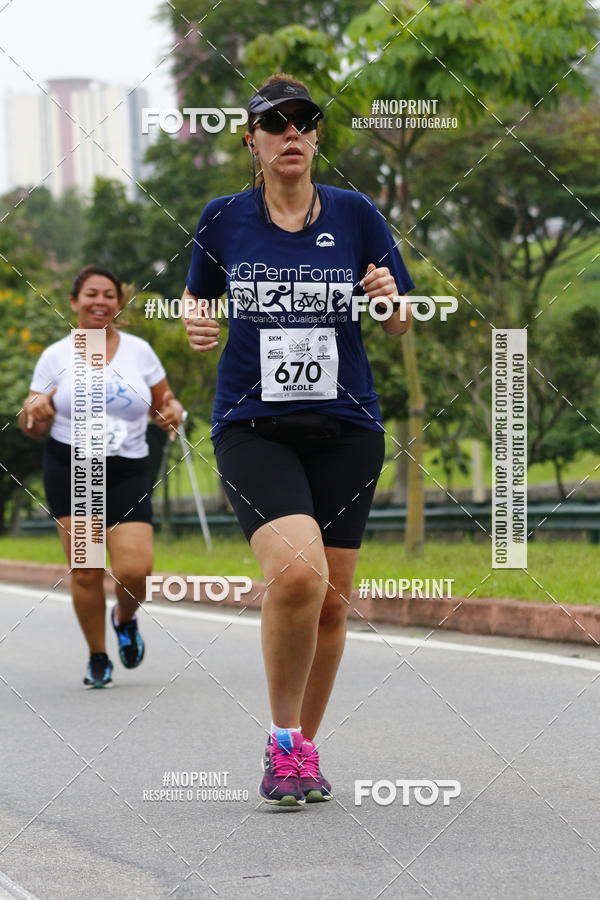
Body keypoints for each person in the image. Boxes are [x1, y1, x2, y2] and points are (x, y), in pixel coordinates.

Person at [183, 74, 414, 806]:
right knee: (295, 577)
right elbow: (197, 295)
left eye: (303, 122)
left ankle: (302, 753)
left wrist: (390, 302)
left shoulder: (355, 213)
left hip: (346, 427)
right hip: (253, 426)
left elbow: (400, 316)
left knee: (334, 602)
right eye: (275, 123)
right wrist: (195, 322)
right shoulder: (224, 218)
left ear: (316, 137)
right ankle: (282, 742)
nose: (291, 133)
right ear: (251, 140)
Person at [20, 265, 183, 688]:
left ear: (119, 303)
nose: (100, 301)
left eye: (109, 295)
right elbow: (31, 422)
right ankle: (97, 656)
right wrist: (35, 412)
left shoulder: (139, 352)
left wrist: (172, 412)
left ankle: (124, 618)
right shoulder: (56, 356)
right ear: (74, 302)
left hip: (127, 468)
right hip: (73, 468)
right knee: (87, 569)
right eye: (91, 293)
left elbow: (165, 403)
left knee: (136, 571)